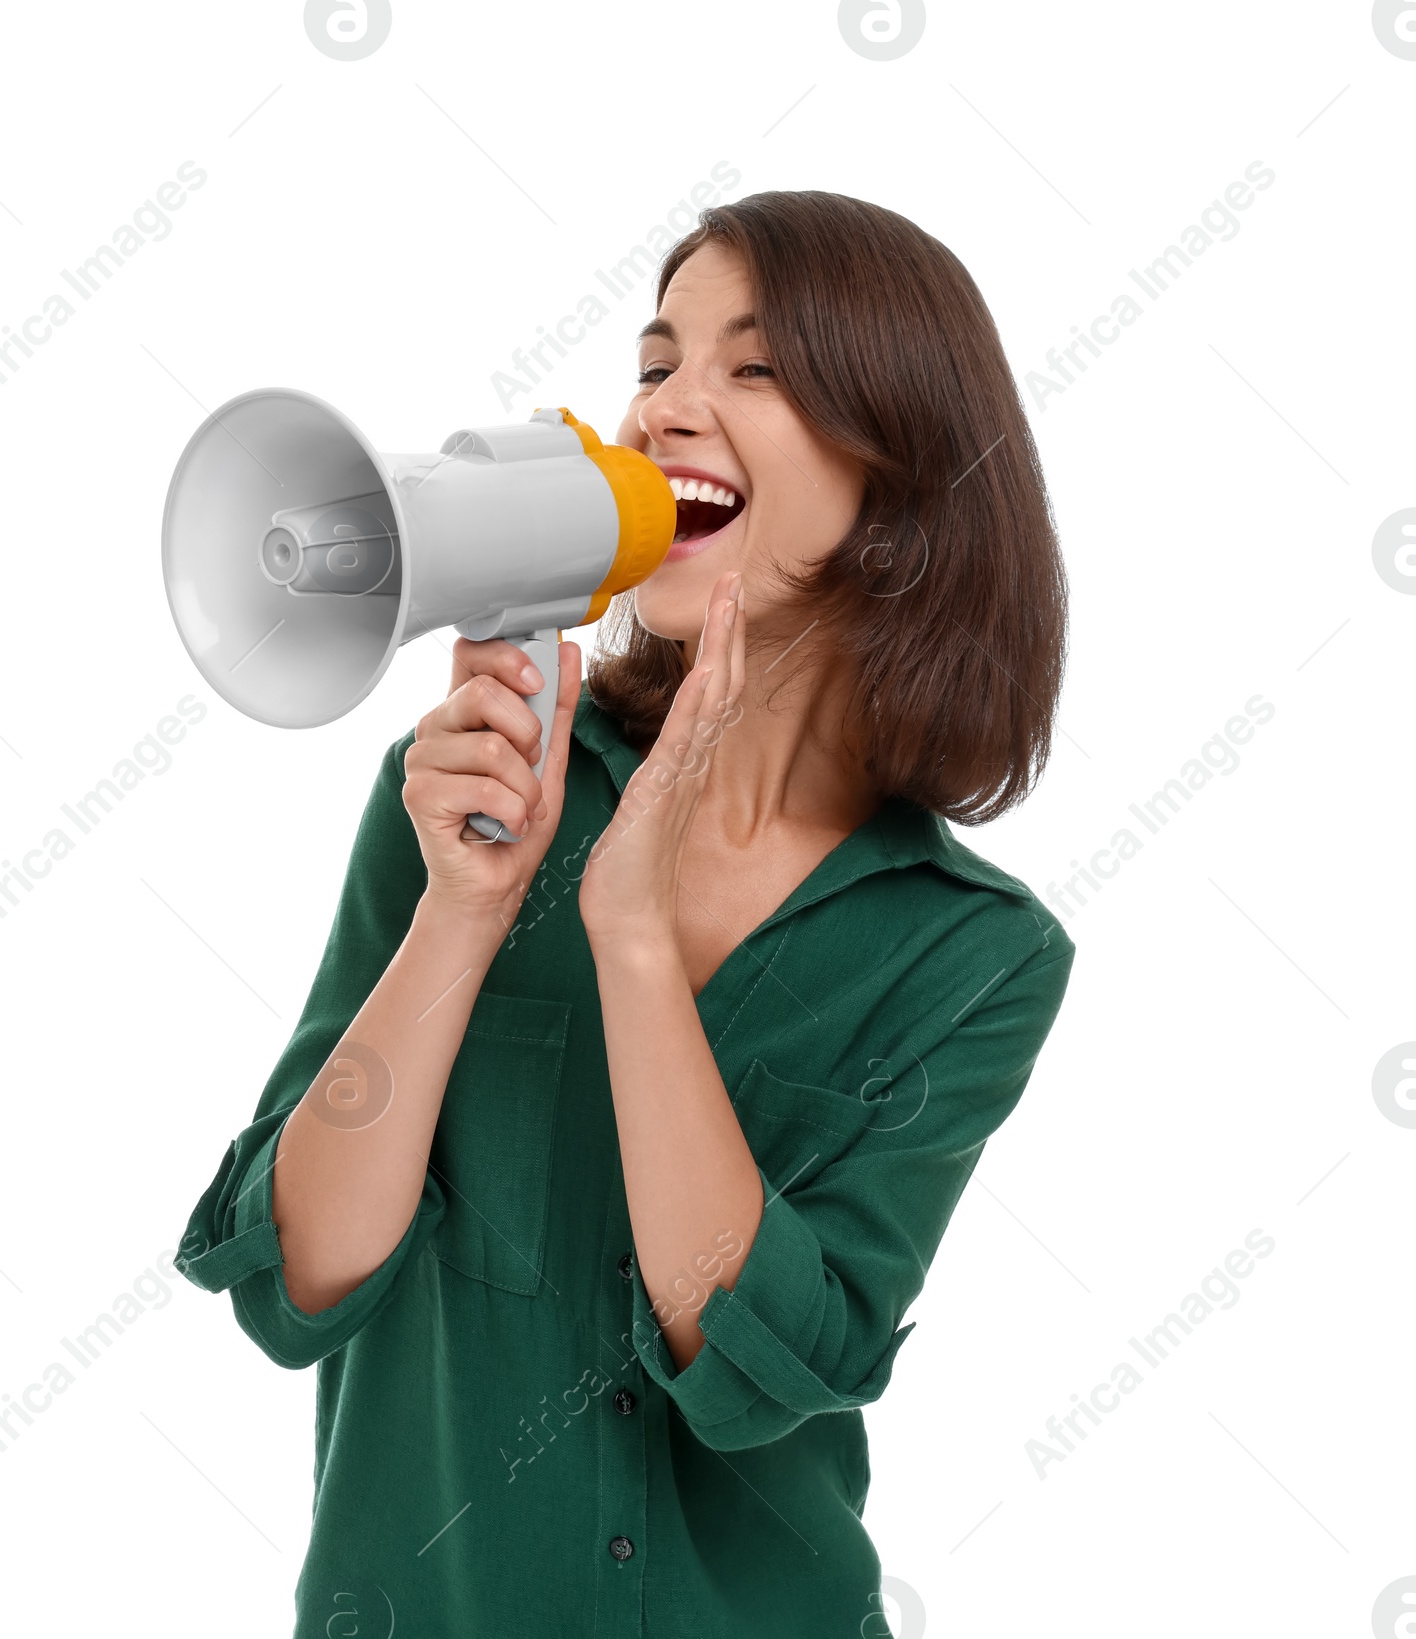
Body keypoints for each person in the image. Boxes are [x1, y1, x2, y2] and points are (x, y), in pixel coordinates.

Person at [176, 189, 1076, 1638]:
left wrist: (637, 938)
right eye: (655, 364)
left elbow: (756, 1368)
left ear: (896, 472)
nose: (666, 408)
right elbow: (298, 1282)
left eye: (754, 368)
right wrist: (465, 915)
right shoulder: (463, 795)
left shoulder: (974, 956)